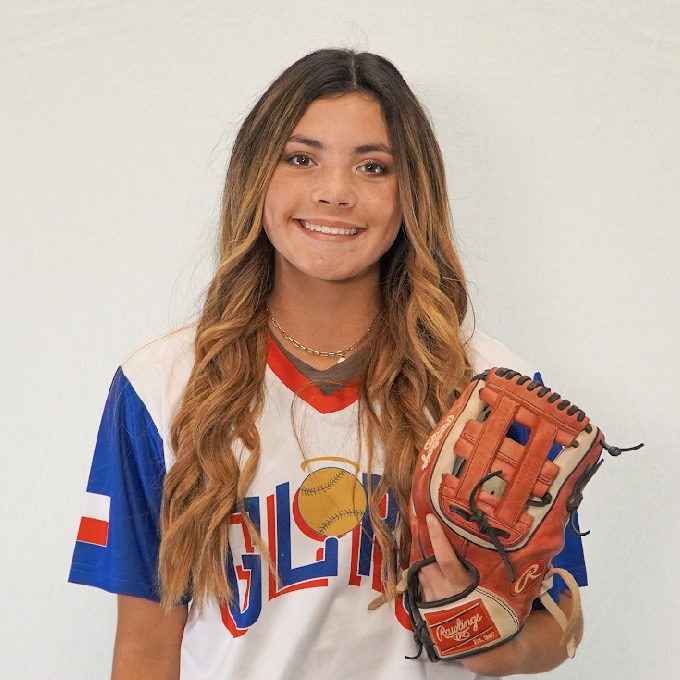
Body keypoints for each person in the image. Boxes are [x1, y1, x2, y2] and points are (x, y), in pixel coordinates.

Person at [69, 48, 587, 679]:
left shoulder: (488, 389)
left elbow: (558, 621)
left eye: (373, 167)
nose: (335, 192)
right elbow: (145, 650)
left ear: (412, 193)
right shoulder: (162, 383)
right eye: (301, 158)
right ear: (256, 177)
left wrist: (485, 641)